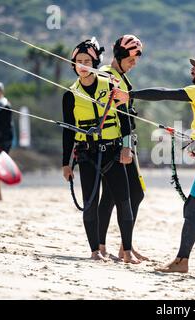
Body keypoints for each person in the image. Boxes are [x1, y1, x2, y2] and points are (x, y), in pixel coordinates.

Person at [130, 55, 195, 279]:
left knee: (191, 208)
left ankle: (181, 261)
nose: (192, 71)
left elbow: (164, 93)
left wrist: (129, 94)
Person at [61, 38, 139, 263]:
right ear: (74, 64)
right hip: (87, 155)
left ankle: (127, 251)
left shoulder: (111, 85)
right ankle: (95, 251)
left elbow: (124, 120)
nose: (83, 65)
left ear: (95, 63)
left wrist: (126, 148)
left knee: (124, 201)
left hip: (113, 152)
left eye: (87, 61)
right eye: (79, 61)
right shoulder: (70, 94)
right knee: (90, 204)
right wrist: (65, 163)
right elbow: (67, 132)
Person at [97, 34, 148, 261]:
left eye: (136, 59)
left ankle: (119, 245)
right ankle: (111, 247)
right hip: (117, 145)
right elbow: (122, 115)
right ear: (119, 55)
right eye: (131, 58)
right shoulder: (110, 76)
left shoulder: (120, 77)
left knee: (112, 195)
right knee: (133, 193)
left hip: (123, 143)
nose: (134, 63)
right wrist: (126, 147)